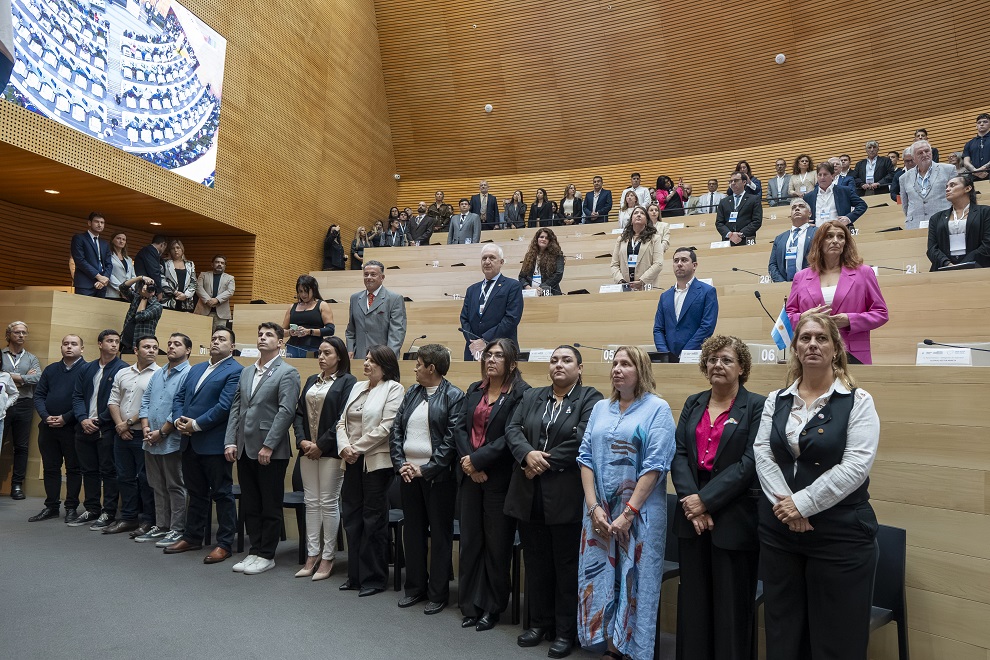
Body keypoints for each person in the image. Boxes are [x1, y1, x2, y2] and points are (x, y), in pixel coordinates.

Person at [754, 313, 881, 660]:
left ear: (836, 348)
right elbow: (763, 453)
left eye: (822, 338)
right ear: (795, 348)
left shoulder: (858, 400)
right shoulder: (776, 399)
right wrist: (788, 507)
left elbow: (856, 466)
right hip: (780, 533)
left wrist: (803, 504)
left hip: (840, 536)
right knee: (783, 636)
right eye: (805, 338)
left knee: (835, 642)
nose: (813, 344)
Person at [577, 346, 676, 660]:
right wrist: (593, 507)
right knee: (601, 576)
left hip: (639, 513)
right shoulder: (600, 408)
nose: (617, 369)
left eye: (626, 364)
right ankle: (609, 645)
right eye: (615, 363)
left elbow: (656, 465)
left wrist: (629, 512)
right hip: (599, 513)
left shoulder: (657, 408)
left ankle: (631, 649)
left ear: (641, 369)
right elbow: (585, 457)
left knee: (635, 580)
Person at [670, 336, 766, 660]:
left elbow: (750, 463)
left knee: (731, 609)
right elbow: (679, 454)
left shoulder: (757, 406)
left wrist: (706, 501)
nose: (717, 365)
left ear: (742, 367)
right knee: (694, 605)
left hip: (734, 517)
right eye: (712, 359)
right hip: (691, 517)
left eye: (726, 360)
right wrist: (693, 502)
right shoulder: (693, 402)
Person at [506, 346, 603, 659]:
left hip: (565, 495)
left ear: (580, 367)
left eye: (566, 360)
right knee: (536, 563)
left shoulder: (590, 398)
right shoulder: (532, 395)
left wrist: (541, 462)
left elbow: (582, 440)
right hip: (529, 494)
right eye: (554, 360)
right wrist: (527, 455)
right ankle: (539, 623)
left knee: (565, 567)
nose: (559, 364)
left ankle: (564, 631)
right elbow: (512, 429)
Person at [456, 338, 530, 631]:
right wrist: (468, 463)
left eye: (498, 356)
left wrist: (478, 461)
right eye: (488, 355)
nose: (491, 360)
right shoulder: (475, 389)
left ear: (511, 363)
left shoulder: (521, 393)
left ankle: (492, 606)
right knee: (471, 542)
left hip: (500, 480)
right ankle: (470, 604)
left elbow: (511, 436)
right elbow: (459, 428)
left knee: (497, 546)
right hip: (471, 477)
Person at [390, 344, 465, 614]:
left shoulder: (454, 396)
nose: (415, 369)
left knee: (440, 536)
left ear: (432, 368)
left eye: (419, 364)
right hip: (408, 475)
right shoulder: (412, 392)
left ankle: (438, 593)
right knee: (413, 533)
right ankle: (415, 588)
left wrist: (427, 469)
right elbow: (396, 431)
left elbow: (451, 441)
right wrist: (401, 465)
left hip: (438, 478)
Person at [225, 323, 301, 574]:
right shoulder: (247, 371)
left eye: (269, 335)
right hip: (244, 446)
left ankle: (267, 554)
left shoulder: (288, 372)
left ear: (280, 342)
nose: (262, 338)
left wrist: (269, 444)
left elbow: (286, 411)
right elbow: (236, 407)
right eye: (260, 334)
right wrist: (230, 440)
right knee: (251, 503)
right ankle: (255, 550)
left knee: (270, 504)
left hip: (271, 450)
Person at [165, 327, 243, 563]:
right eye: (214, 338)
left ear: (232, 347)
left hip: (213, 442)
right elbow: (179, 397)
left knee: (222, 493)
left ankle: (224, 543)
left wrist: (196, 424)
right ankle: (192, 537)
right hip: (189, 441)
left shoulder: (236, 370)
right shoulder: (196, 368)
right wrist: (178, 420)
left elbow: (224, 406)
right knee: (196, 493)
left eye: (222, 339)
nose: (216, 342)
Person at [336, 345, 405, 597]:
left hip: (376, 463)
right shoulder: (357, 387)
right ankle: (355, 576)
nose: (366, 363)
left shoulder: (394, 389)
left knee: (373, 521)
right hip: (351, 460)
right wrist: (344, 447)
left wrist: (356, 448)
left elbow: (387, 427)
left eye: (372, 361)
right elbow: (341, 422)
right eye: (365, 359)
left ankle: (374, 579)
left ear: (385, 366)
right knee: (352, 518)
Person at [292, 337, 356, 580]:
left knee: (328, 502)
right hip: (307, 451)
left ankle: (328, 556)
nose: (320, 357)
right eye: (319, 352)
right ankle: (312, 554)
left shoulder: (347, 381)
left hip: (330, 451)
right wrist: (302, 441)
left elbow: (343, 418)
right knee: (311, 502)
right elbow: (299, 413)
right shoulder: (311, 380)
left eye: (327, 353)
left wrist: (321, 445)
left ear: (339, 356)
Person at [786, 220, 889, 364]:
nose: (835, 241)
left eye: (840, 237)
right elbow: (788, 317)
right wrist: (803, 317)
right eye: (829, 236)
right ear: (819, 242)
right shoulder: (801, 277)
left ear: (845, 243)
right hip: (812, 353)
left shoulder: (864, 273)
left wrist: (850, 320)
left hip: (852, 354)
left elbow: (881, 313)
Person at [138, 333, 192, 547]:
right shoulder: (159, 373)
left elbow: (181, 408)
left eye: (177, 344)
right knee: (157, 484)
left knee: (174, 485)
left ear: (188, 350)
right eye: (169, 343)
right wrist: (145, 428)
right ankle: (161, 526)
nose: (171, 347)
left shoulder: (189, 374)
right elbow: (145, 401)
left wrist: (161, 433)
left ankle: (176, 529)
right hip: (150, 438)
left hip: (171, 439)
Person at [69, 329, 126, 529]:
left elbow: (119, 401)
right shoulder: (87, 368)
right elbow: (77, 396)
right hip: (83, 427)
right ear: (100, 344)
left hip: (106, 428)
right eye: (109, 341)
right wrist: (83, 419)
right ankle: (92, 508)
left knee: (108, 471)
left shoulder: (122, 369)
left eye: (117, 341)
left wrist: (99, 421)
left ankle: (108, 511)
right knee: (88, 470)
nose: (114, 344)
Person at [103, 335, 160, 536]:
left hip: (143, 434)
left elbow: (151, 405)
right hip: (121, 434)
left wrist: (126, 424)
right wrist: (120, 425)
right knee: (124, 477)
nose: (151, 350)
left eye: (155, 347)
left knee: (146, 479)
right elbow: (113, 401)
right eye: (147, 347)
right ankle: (128, 518)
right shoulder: (122, 373)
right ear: (136, 350)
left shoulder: (160, 374)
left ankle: (148, 520)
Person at [28, 335, 86, 522]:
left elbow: (85, 400)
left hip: (73, 427)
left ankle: (71, 508)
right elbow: (39, 395)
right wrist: (46, 416)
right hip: (48, 427)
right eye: (65, 344)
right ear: (61, 347)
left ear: (82, 349)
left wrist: (65, 418)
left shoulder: (87, 370)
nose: (69, 347)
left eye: (74, 344)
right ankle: (51, 506)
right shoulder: (51, 369)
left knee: (73, 469)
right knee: (50, 468)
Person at [458, 244, 524, 360]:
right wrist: (474, 342)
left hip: (502, 350)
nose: (487, 262)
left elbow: (511, 319)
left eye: (492, 258)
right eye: (484, 258)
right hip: (473, 351)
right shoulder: (472, 290)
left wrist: (485, 340)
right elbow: (464, 318)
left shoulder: (512, 286)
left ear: (501, 262)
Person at [653, 248, 719, 362]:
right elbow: (658, 329)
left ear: (694, 265)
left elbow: (707, 327)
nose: (679, 264)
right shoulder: (665, 296)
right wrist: (665, 354)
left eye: (684, 260)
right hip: (668, 359)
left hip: (694, 356)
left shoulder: (707, 291)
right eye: (676, 261)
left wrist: (685, 353)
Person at [2, 322, 41, 500]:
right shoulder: (1, 355)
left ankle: (17, 485)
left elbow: (37, 378)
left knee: (21, 446)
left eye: (24, 333)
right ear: (9, 334)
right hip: (3, 404)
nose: (21, 335)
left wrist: (8, 376)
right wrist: (24, 378)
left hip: (25, 404)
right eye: (17, 332)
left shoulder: (31, 358)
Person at [345, 260, 407, 359]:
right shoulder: (355, 298)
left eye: (373, 274)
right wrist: (350, 349)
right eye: (366, 274)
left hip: (382, 357)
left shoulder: (394, 299)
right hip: (359, 356)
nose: (368, 277)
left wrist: (388, 356)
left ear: (382, 277)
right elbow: (351, 329)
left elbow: (397, 333)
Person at [926, 173, 990, 270]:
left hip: (978, 267)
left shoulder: (985, 212)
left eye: (952, 185)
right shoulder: (936, 218)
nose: (947, 189)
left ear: (967, 188)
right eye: (946, 187)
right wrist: (947, 263)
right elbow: (932, 249)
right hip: (944, 269)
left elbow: (987, 243)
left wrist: (965, 263)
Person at [901, 140, 957, 230]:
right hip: (915, 225)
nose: (924, 154)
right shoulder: (904, 178)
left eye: (927, 151)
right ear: (913, 158)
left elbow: (957, 196)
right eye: (920, 153)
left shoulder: (948, 170)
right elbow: (905, 205)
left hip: (944, 222)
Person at [610, 205, 669, 290]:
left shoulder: (655, 239)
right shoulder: (621, 239)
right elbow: (614, 264)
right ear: (631, 220)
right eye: (636, 213)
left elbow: (658, 264)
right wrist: (621, 281)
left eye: (642, 213)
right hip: (625, 286)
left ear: (647, 221)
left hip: (646, 286)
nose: (638, 215)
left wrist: (642, 281)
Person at [283, 275, 335, 359]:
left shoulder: (322, 305)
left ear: (313, 289)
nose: (303, 295)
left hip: (313, 347)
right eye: (300, 291)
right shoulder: (292, 307)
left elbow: (330, 330)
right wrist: (290, 332)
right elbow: (281, 332)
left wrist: (309, 331)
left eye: (306, 291)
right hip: (292, 347)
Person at [803, 162, 868, 226]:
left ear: (832, 176)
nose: (822, 177)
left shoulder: (844, 191)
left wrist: (848, 218)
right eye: (820, 175)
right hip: (818, 231)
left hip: (839, 230)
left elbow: (862, 205)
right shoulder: (808, 197)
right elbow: (802, 213)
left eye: (825, 174)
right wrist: (805, 223)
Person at [769, 199, 818, 283]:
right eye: (794, 207)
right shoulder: (780, 238)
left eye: (801, 206)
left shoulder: (818, 233)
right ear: (790, 215)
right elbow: (772, 265)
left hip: (810, 283)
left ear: (810, 214)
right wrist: (781, 282)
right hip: (785, 285)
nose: (797, 209)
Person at [70, 212, 113, 297]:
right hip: (85, 284)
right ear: (89, 223)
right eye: (96, 222)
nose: (99, 225)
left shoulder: (105, 244)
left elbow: (109, 264)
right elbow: (80, 260)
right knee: (83, 306)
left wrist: (103, 279)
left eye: (102, 222)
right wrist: (98, 276)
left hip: (101, 285)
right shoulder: (79, 238)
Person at [716, 172, 763, 246]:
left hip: (747, 239)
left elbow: (757, 221)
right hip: (728, 240)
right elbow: (719, 223)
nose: (733, 183)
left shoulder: (754, 199)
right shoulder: (723, 202)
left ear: (744, 182)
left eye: (736, 180)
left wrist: (741, 234)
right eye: (731, 181)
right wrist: (730, 234)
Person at [119, 276, 162, 354]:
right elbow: (122, 287)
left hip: (141, 346)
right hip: (125, 342)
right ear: (139, 290)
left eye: (151, 289)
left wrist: (145, 297)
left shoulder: (157, 306)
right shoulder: (136, 298)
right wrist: (140, 278)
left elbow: (139, 316)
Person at [518, 228, 565, 296]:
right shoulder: (529, 255)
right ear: (537, 239)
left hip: (550, 293)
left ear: (550, 241)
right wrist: (527, 287)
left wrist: (543, 287)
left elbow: (558, 274)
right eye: (541, 237)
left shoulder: (557, 255)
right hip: (531, 294)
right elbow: (521, 276)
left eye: (547, 238)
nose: (543, 239)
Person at [193, 255, 235, 331]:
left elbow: (230, 291)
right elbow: (198, 288)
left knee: (219, 335)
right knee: (201, 334)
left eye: (222, 263)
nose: (219, 264)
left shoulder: (230, 278)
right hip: (203, 311)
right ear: (212, 264)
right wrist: (208, 300)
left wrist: (217, 299)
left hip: (221, 314)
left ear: (225, 266)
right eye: (217, 262)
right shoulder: (203, 275)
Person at [161, 239, 196, 312]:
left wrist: (186, 295)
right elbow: (161, 280)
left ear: (182, 249)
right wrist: (175, 292)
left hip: (185, 301)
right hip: (169, 300)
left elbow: (193, 282)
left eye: (178, 248)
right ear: (170, 251)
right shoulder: (164, 263)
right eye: (173, 248)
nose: (175, 250)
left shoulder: (190, 264)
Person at [105, 232, 136, 301]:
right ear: (112, 240)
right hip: (113, 293)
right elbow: (109, 274)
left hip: (128, 294)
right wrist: (122, 289)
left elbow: (133, 276)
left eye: (123, 239)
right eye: (118, 238)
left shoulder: (129, 259)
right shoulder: (108, 256)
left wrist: (130, 288)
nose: (121, 241)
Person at [962, 113, 990, 180]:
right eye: (979, 122)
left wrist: (983, 168)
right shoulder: (969, 143)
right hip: (975, 176)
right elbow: (966, 162)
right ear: (976, 126)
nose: (981, 124)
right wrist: (975, 170)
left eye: (985, 122)